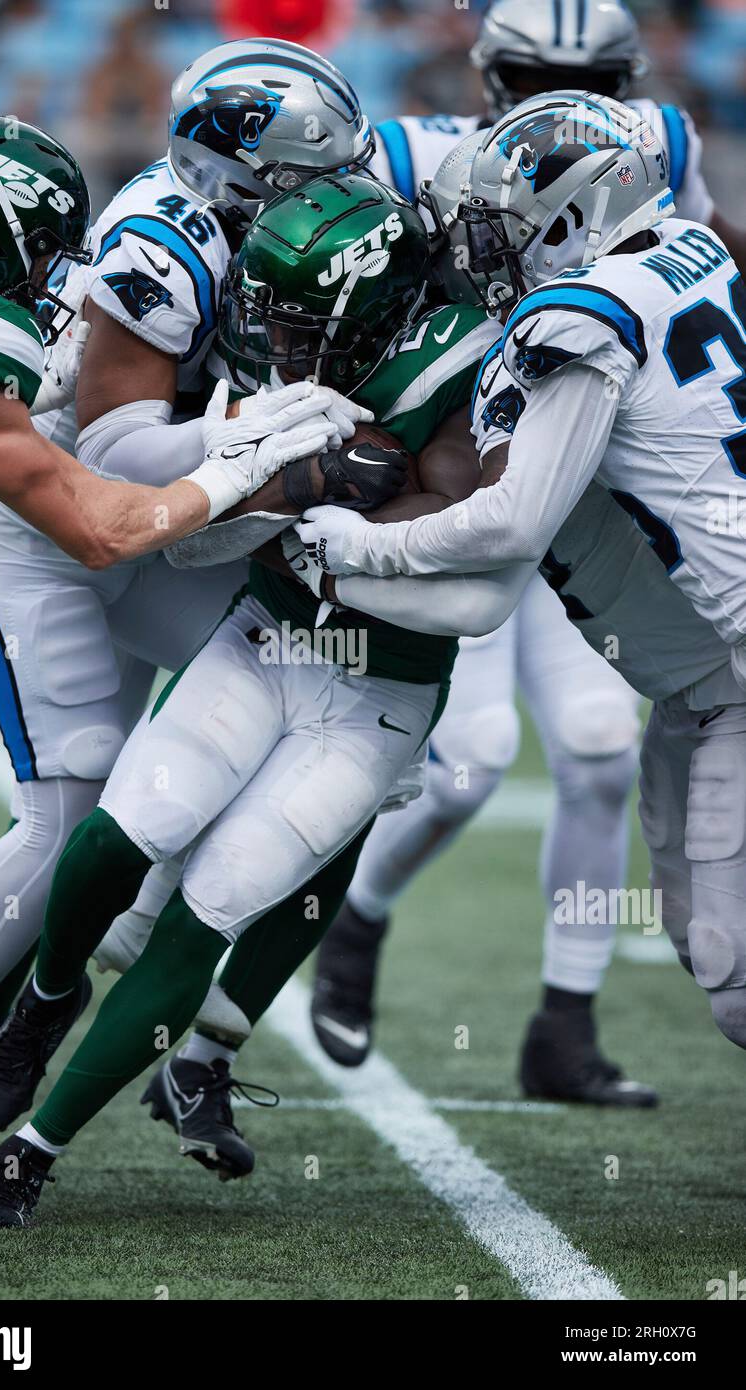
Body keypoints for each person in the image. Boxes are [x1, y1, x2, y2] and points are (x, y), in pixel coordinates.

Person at [0, 41, 371, 1206]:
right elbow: (110, 474)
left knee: (312, 694)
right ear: (236, 173)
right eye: (307, 176)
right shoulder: (167, 245)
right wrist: (249, 438)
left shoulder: (280, 227)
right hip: (36, 525)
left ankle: (149, 960)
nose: (330, 196)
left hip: (154, 523)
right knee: (67, 802)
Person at [312, 0, 723, 1098]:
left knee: (594, 741)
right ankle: (352, 925)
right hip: (460, 470)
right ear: (487, 71)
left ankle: (563, 1024)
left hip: (585, 493)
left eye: (589, 73)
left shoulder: (653, 154)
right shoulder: (407, 152)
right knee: (467, 763)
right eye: (537, 70)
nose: (562, 90)